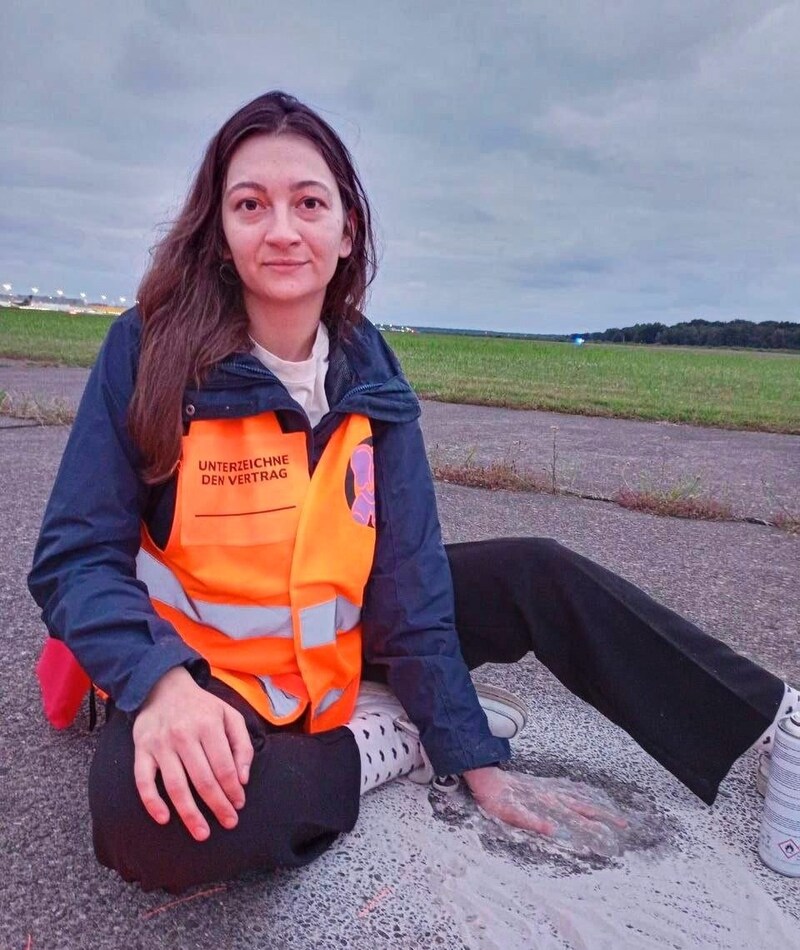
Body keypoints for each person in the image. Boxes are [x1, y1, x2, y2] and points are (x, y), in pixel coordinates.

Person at [28, 91, 797, 894]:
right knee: (146, 823)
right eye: (250, 204)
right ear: (220, 231)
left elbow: (411, 580)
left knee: (537, 568)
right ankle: (377, 742)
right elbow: (75, 559)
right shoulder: (149, 351)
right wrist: (159, 685)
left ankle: (779, 720)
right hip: (211, 675)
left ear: (346, 227)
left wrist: (472, 753)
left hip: (352, 640)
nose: (282, 229)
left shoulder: (368, 366)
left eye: (309, 203)